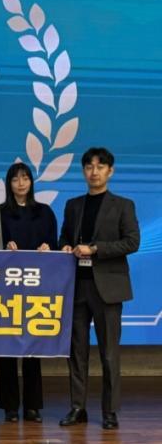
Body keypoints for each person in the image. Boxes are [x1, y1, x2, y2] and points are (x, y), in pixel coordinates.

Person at [58, 147, 140, 430]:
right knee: (76, 352)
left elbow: (132, 242)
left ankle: (110, 411)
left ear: (110, 171)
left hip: (108, 288)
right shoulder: (73, 205)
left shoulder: (123, 205)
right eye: (89, 166)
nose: (94, 171)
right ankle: (77, 407)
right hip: (76, 287)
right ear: (83, 171)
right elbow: (64, 238)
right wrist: (65, 246)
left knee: (109, 353)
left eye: (100, 166)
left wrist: (94, 249)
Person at [0, 162, 57, 423]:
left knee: (33, 348)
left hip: (36, 287)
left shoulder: (44, 212)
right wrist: (4, 247)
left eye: (25, 178)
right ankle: (10, 406)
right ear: (8, 184)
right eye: (15, 179)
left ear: (31, 182)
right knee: (7, 347)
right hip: (6, 289)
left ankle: (33, 406)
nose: (20, 183)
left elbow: (55, 245)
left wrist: (48, 248)